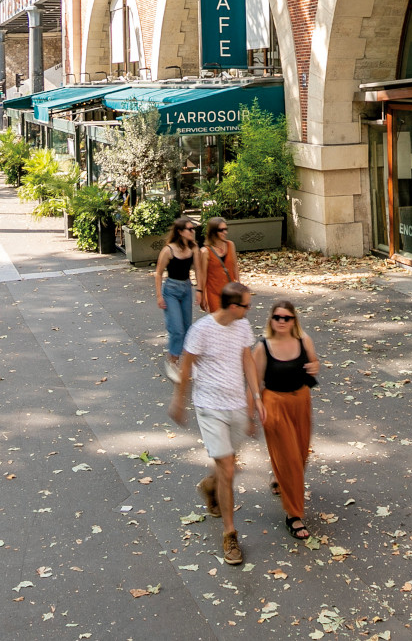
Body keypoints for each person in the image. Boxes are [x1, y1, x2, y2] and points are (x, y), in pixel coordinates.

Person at [170, 280, 258, 566]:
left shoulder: (242, 326)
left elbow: (247, 361)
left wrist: (256, 399)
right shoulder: (202, 330)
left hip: (236, 406)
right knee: (228, 469)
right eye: (246, 305)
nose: (249, 309)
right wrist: (179, 401)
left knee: (225, 467)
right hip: (209, 407)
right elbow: (186, 366)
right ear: (233, 306)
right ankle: (229, 535)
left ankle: (210, 485)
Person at [253, 298, 318, 540]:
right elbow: (254, 381)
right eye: (277, 317)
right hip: (274, 404)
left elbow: (314, 362)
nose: (281, 321)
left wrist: (314, 367)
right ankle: (293, 515)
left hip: (300, 402)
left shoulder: (304, 340)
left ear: (293, 321)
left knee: (299, 456)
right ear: (271, 320)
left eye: (286, 318)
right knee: (290, 459)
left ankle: (280, 479)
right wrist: (252, 410)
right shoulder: (263, 347)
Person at [155, 215, 200, 382]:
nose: (193, 231)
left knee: (188, 328)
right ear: (180, 232)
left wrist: (200, 290)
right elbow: (158, 273)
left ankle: (188, 363)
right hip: (171, 291)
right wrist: (159, 296)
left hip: (186, 289)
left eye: (193, 229)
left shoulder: (193, 248)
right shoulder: (168, 250)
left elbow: (198, 269)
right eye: (190, 229)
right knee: (177, 329)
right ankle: (172, 361)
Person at [198, 217, 240, 315]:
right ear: (213, 232)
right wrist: (203, 296)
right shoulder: (205, 251)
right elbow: (203, 276)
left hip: (230, 292)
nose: (225, 232)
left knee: (233, 320)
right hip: (214, 294)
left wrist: (239, 286)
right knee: (219, 321)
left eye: (226, 229)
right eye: (221, 230)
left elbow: (235, 266)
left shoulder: (230, 245)